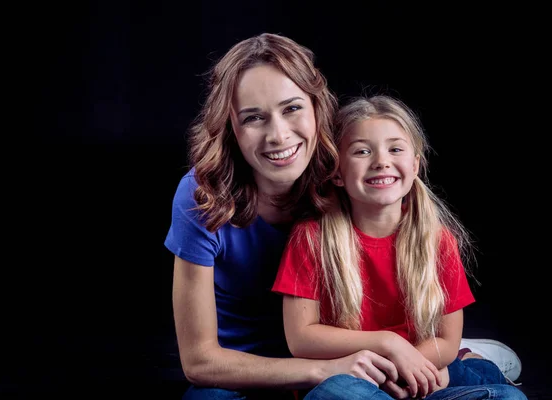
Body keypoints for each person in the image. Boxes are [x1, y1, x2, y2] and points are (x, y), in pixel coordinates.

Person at [165, 33, 403, 400]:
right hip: (242, 371)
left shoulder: (343, 172)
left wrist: (409, 344)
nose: (278, 135)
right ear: (230, 127)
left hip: (336, 356)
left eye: (292, 108)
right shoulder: (201, 195)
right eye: (254, 118)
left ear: (316, 106)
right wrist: (319, 371)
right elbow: (198, 361)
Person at [272, 95, 527, 399]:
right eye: (362, 151)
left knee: (509, 398)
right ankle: (469, 364)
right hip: (350, 379)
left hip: (418, 374)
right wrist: (389, 345)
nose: (381, 161)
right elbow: (301, 339)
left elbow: (445, 341)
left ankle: (472, 362)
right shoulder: (312, 237)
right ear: (336, 172)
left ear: (416, 164)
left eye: (395, 149)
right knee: (339, 393)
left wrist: (412, 366)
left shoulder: (437, 240)